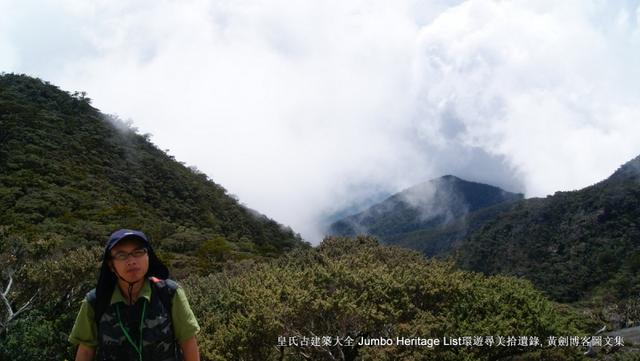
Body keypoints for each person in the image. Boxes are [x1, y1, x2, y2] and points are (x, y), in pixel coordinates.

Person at [69, 229, 200, 361]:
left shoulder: (169, 293)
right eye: (121, 255)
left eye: (138, 252)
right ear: (111, 265)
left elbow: (188, 341)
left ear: (148, 256)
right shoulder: (95, 301)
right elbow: (86, 350)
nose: (131, 261)